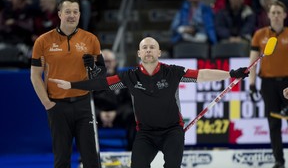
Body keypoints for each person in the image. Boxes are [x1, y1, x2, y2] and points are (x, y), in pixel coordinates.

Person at [50, 37, 249, 168]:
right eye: (144, 47)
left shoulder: (173, 72)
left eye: (152, 47)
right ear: (138, 54)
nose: (148, 50)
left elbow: (202, 75)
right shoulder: (130, 76)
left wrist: (231, 74)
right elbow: (102, 84)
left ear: (159, 52)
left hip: (172, 131)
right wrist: (72, 85)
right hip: (146, 134)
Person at [30, 0, 105, 168]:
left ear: (80, 14)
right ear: (59, 14)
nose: (72, 15)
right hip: (57, 106)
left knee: (91, 158)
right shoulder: (43, 41)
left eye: (75, 12)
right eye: (68, 11)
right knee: (62, 158)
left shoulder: (91, 39)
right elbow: (35, 75)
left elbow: (101, 74)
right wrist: (47, 104)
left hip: (83, 104)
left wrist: (94, 67)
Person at [248, 1, 288, 168]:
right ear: (268, 15)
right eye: (274, 12)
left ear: (285, 15)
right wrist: (251, 83)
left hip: (287, 83)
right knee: (273, 123)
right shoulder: (260, 34)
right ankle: (279, 160)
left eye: (279, 12)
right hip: (268, 84)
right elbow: (253, 61)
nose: (276, 15)